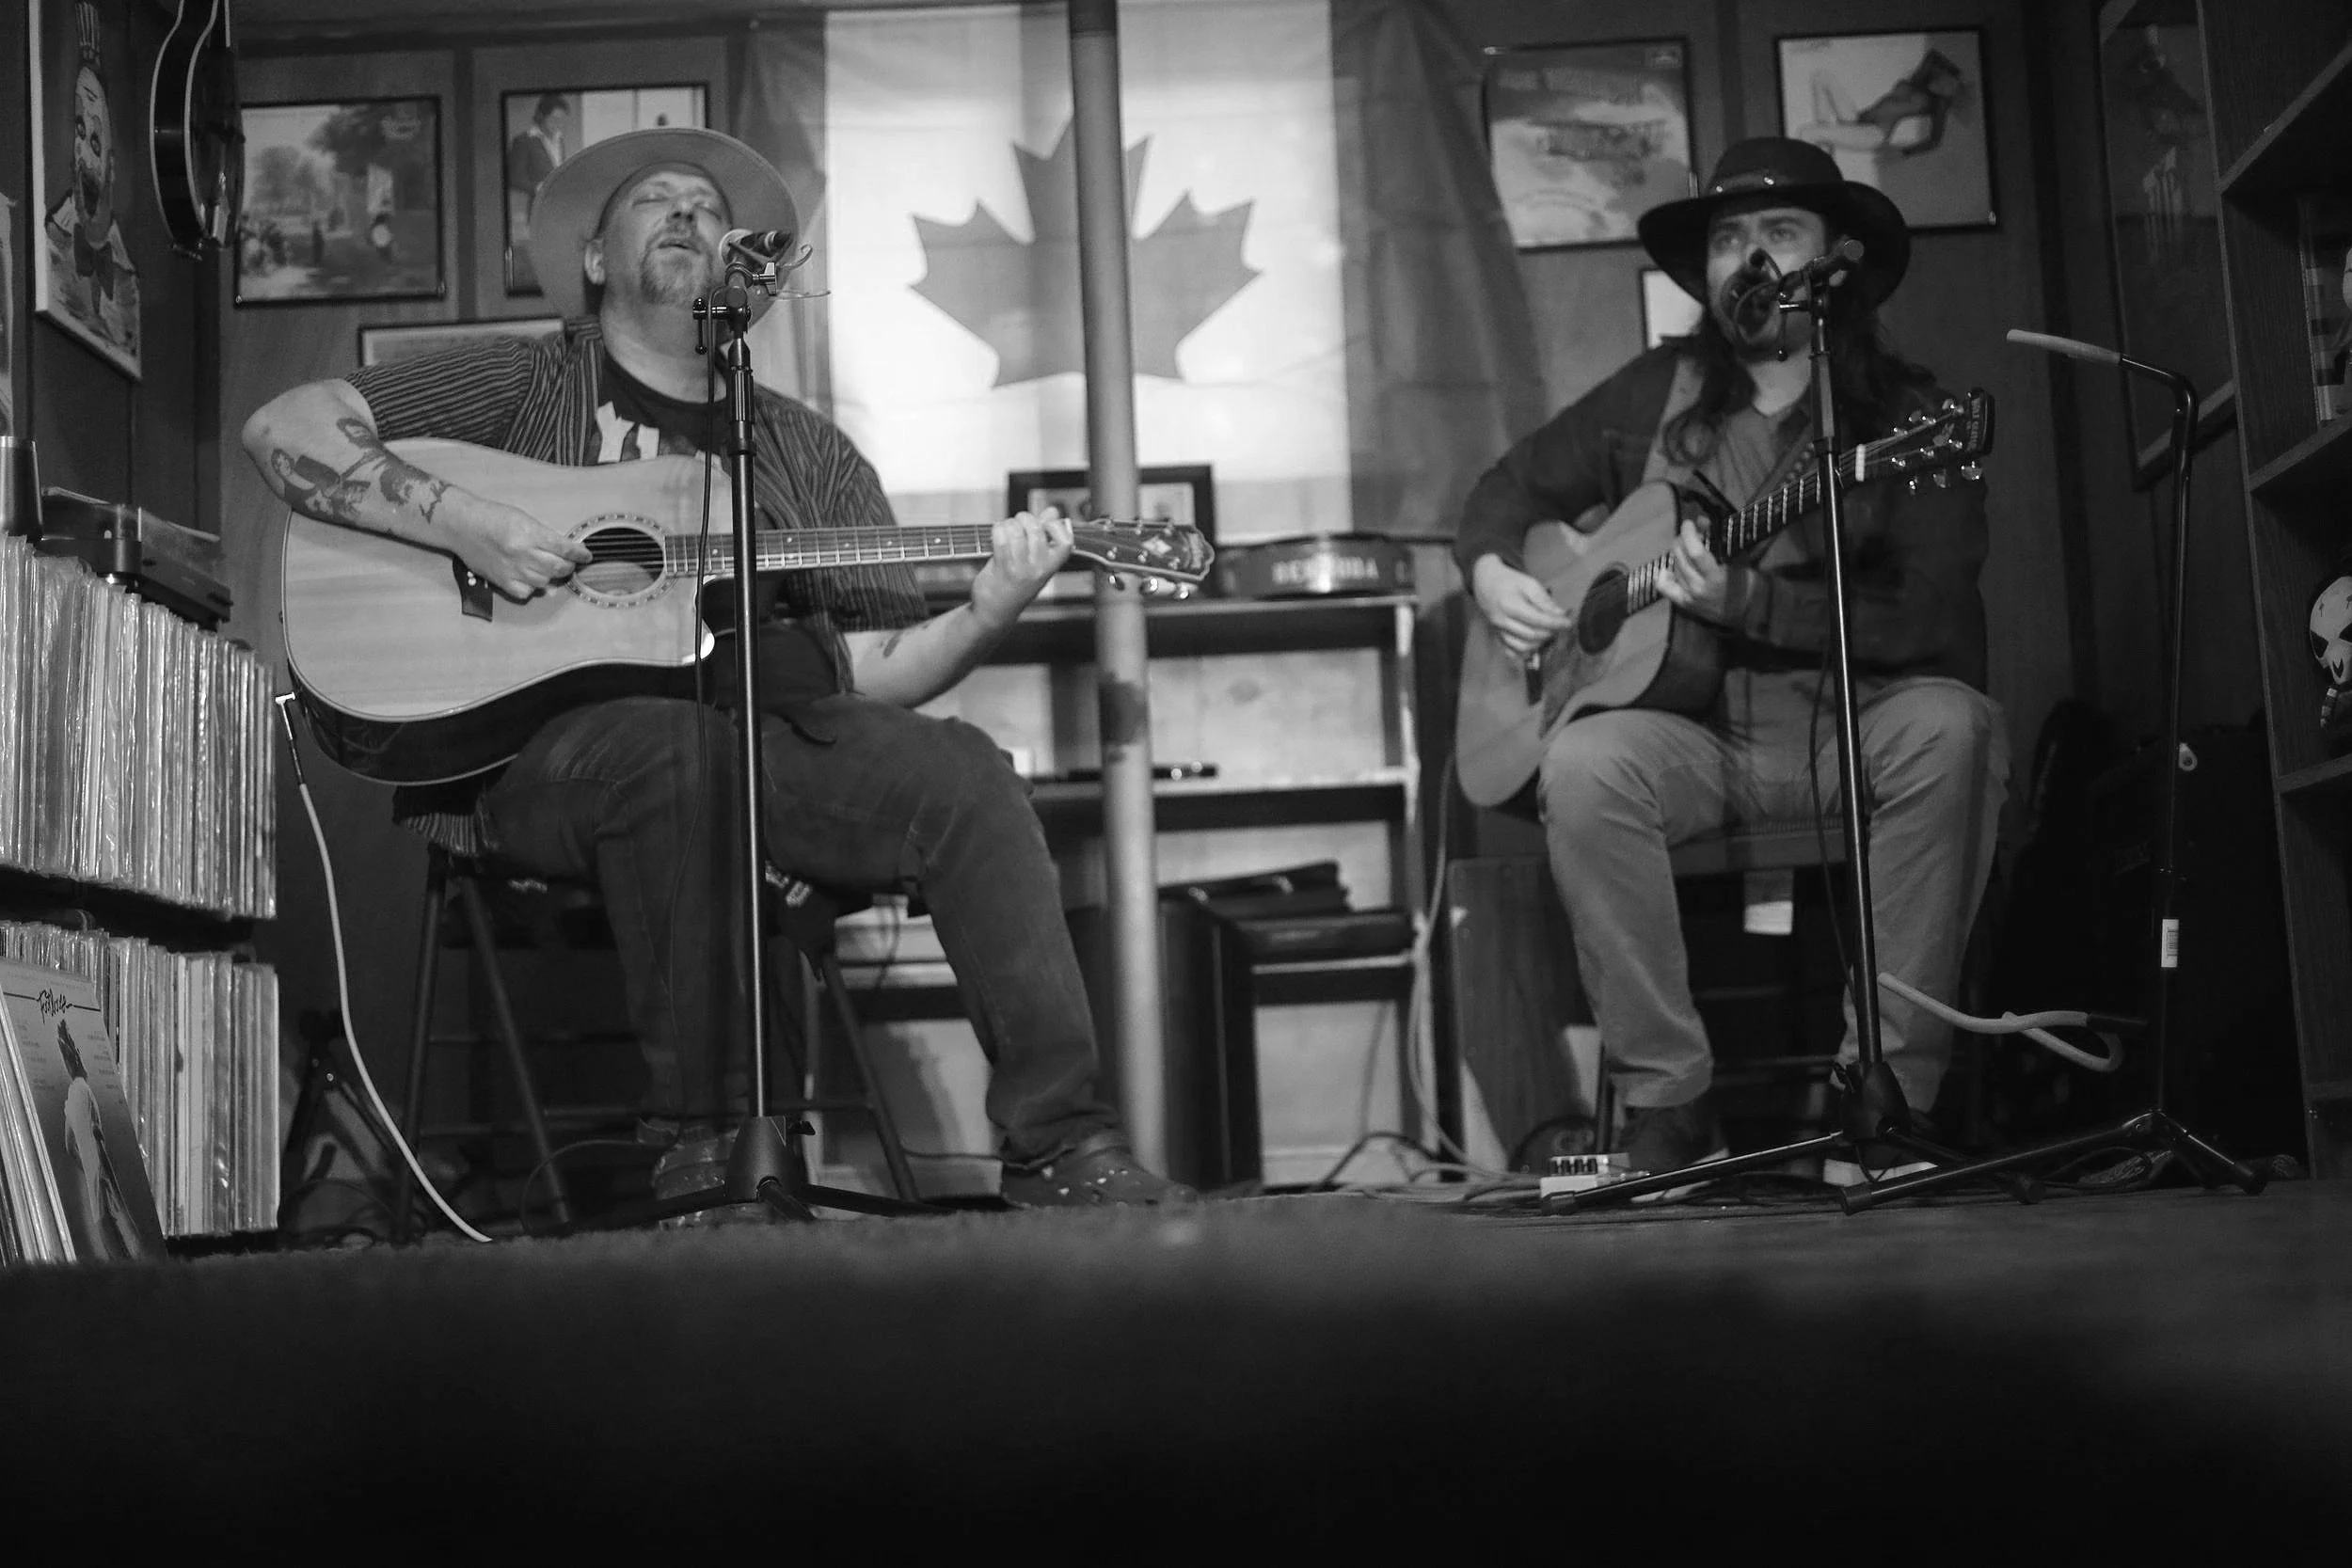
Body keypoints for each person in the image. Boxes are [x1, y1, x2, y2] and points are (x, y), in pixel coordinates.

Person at [243, 127, 1193, 1211]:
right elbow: (284, 425)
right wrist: (463, 521)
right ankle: (708, 1148)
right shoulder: (525, 379)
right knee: (682, 752)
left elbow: (873, 668)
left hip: (779, 739)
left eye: (706, 205)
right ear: (596, 259)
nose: (688, 213)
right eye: (655, 200)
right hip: (548, 756)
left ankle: (1060, 1146)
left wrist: (990, 607)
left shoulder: (805, 451)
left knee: (967, 772)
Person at [1454, 137, 2007, 1188]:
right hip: (1698, 742)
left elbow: (1932, 615)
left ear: (1836, 259)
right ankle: (1671, 1104)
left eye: (1779, 232)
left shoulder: (1910, 421)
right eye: (1727, 238)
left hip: (1856, 729)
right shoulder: (1651, 392)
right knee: (1582, 763)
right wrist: (1490, 572)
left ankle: (1884, 1096)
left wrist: (1751, 601)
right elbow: (1505, 490)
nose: (1749, 258)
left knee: (1955, 726)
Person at [40, 25, 140, 365]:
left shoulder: (126, 275)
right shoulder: (55, 239)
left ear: (111, 161)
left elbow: (126, 339)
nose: (83, 153)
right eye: (80, 131)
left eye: (95, 142)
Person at [505, 93, 570, 290]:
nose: (557, 124)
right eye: (554, 119)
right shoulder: (524, 141)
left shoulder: (559, 140)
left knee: (560, 250)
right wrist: (536, 186)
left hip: (559, 206)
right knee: (543, 252)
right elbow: (513, 177)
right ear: (541, 116)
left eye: (561, 120)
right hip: (539, 207)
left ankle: (558, 286)